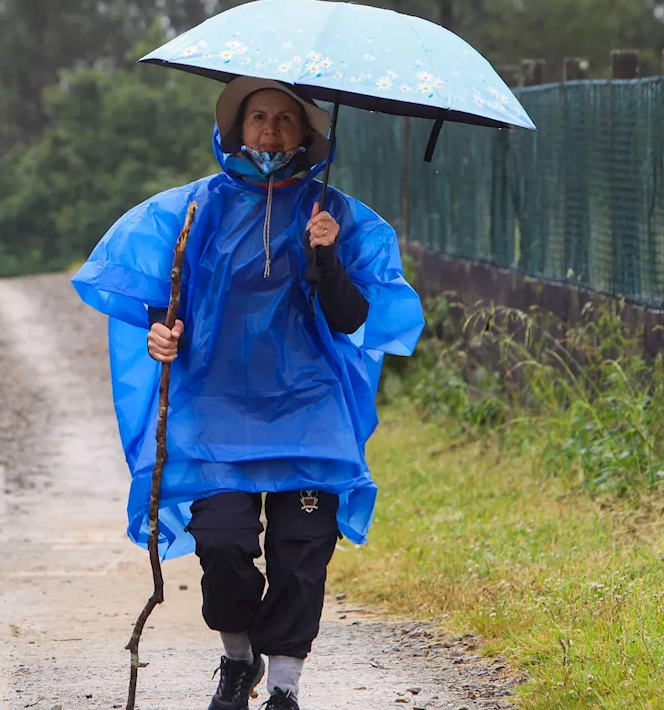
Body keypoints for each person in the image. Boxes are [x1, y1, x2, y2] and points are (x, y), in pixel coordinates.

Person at [72, 76, 424, 710]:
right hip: (213, 409)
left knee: (301, 549)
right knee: (225, 540)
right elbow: (160, 304)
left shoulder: (336, 217)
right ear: (235, 129)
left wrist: (328, 257)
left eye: (285, 119)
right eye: (257, 117)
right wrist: (162, 336)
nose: (269, 130)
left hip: (309, 410)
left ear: (308, 134)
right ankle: (239, 659)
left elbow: (352, 320)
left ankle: (285, 684)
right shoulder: (187, 211)